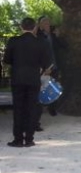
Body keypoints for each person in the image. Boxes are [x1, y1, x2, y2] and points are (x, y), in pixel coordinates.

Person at [3, 17, 52, 147]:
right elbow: (48, 63)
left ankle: (18, 139)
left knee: (18, 108)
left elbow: (7, 60)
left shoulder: (13, 41)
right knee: (32, 108)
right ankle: (29, 138)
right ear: (35, 27)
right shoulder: (41, 42)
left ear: (21, 27)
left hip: (18, 78)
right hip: (33, 78)